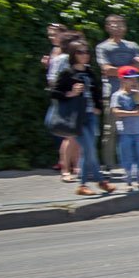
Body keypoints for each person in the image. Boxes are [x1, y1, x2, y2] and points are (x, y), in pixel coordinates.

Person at [50, 38, 115, 196]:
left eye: (86, 52)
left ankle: (86, 185)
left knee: (89, 149)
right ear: (73, 54)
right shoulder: (68, 73)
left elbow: (97, 92)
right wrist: (70, 93)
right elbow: (54, 93)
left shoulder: (89, 73)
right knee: (89, 149)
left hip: (90, 116)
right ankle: (97, 182)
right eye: (80, 52)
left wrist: (98, 107)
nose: (84, 55)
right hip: (76, 117)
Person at [95, 15, 139, 173]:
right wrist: (130, 69)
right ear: (107, 27)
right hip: (113, 92)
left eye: (120, 24)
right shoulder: (102, 47)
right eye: (113, 24)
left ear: (125, 27)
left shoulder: (133, 46)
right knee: (110, 129)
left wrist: (120, 70)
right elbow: (106, 69)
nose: (117, 27)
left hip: (134, 92)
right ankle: (108, 164)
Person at [46, 29, 81, 182]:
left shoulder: (74, 58)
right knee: (69, 136)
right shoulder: (63, 59)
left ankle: (76, 167)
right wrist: (68, 92)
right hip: (66, 100)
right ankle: (66, 169)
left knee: (75, 135)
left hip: (75, 100)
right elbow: (53, 81)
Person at [110, 65, 139, 190]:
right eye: (130, 79)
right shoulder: (117, 95)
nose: (134, 81)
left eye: (135, 79)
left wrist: (138, 93)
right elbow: (116, 112)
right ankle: (128, 181)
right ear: (123, 80)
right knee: (126, 156)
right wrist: (132, 113)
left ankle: (138, 180)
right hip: (125, 132)